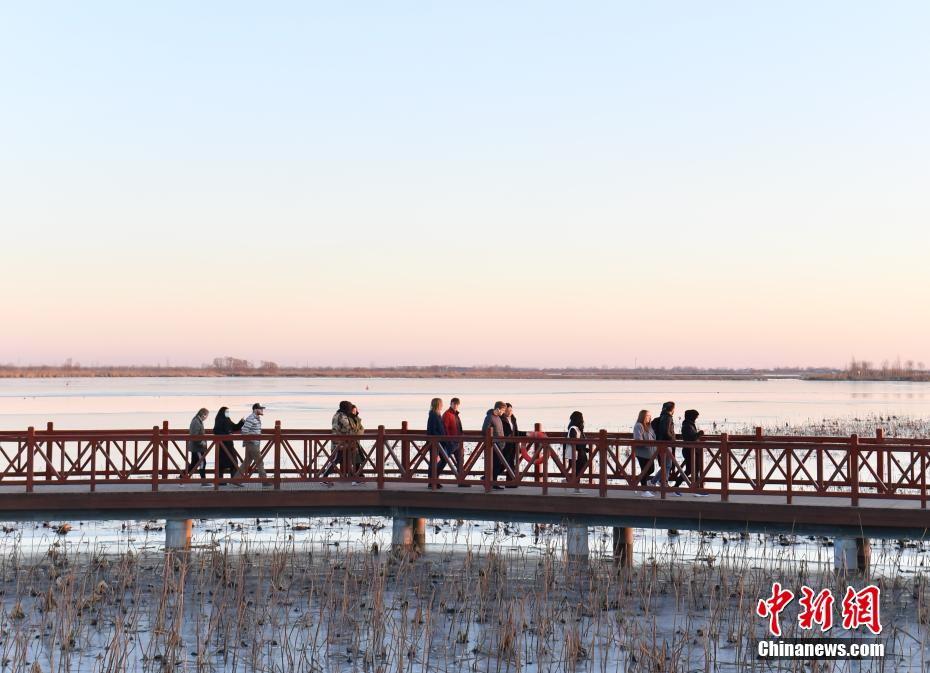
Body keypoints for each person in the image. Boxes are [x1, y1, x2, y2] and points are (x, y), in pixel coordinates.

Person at [324, 401, 366, 486]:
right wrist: (360, 432)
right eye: (349, 408)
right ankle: (324, 477)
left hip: (339, 442)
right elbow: (350, 430)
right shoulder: (342, 416)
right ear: (346, 408)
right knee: (336, 460)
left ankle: (357, 478)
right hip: (341, 443)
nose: (350, 410)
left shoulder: (336, 414)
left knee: (346, 458)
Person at [235, 403, 270, 487]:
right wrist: (252, 439)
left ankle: (236, 479)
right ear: (255, 410)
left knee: (246, 462)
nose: (262, 410)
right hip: (252, 444)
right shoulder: (251, 418)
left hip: (253, 443)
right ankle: (264, 481)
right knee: (260, 462)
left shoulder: (256, 418)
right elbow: (244, 431)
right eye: (260, 409)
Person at [651, 401, 679, 494]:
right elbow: (666, 431)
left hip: (661, 444)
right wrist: (673, 439)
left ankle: (660, 482)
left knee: (666, 465)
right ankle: (657, 482)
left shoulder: (662, 416)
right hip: (666, 444)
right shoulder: (668, 418)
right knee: (667, 465)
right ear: (672, 409)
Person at [678, 409, 708, 496]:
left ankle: (677, 487)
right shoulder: (687, 426)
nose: (696, 419)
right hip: (689, 450)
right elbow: (691, 438)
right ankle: (697, 490)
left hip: (691, 450)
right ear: (692, 417)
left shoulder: (688, 424)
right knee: (693, 470)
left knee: (691, 470)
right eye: (695, 417)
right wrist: (700, 433)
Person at [213, 406, 244, 485]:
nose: (228, 413)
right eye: (226, 411)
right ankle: (221, 481)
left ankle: (234, 480)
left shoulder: (228, 419)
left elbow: (234, 427)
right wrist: (226, 435)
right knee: (221, 464)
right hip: (222, 445)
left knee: (234, 462)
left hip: (229, 445)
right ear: (223, 412)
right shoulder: (219, 420)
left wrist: (241, 422)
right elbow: (216, 431)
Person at [482, 401, 507, 489]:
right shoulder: (489, 417)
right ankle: (493, 483)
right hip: (493, 445)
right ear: (497, 409)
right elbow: (485, 430)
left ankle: (489, 480)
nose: (503, 412)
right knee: (495, 464)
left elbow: (501, 431)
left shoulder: (499, 418)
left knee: (498, 465)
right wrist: (493, 441)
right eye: (503, 410)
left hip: (500, 445)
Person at [426, 398, 450, 487]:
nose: (442, 405)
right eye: (441, 404)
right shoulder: (433, 415)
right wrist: (440, 437)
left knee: (441, 460)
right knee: (435, 461)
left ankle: (434, 480)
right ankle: (432, 481)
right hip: (435, 442)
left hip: (439, 441)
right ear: (438, 404)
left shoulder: (437, 414)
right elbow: (432, 430)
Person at [633, 409, 657, 497]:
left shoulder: (649, 426)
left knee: (651, 469)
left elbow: (654, 436)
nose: (649, 417)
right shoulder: (639, 426)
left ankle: (637, 480)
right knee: (645, 470)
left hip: (650, 452)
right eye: (647, 416)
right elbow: (638, 439)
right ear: (643, 416)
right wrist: (647, 444)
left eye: (650, 416)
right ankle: (644, 490)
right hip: (642, 452)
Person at [442, 397, 466, 484]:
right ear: (451, 404)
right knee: (444, 460)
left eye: (457, 404)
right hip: (451, 442)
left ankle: (461, 481)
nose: (455, 406)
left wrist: (462, 435)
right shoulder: (447, 414)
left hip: (458, 442)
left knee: (460, 462)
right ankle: (433, 479)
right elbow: (445, 428)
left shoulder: (455, 414)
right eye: (454, 404)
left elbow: (458, 427)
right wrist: (449, 440)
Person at [564, 411, 588, 493]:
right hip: (575, 454)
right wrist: (580, 447)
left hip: (581, 453)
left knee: (581, 469)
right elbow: (572, 441)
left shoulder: (579, 428)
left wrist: (586, 449)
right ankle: (576, 488)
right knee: (578, 470)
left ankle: (567, 481)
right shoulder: (573, 429)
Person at [187, 408, 210, 484]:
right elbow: (194, 435)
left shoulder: (198, 421)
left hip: (197, 447)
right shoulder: (196, 422)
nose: (206, 417)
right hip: (197, 448)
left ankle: (181, 479)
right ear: (203, 414)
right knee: (202, 462)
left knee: (193, 465)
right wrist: (201, 442)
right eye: (206, 415)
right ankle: (203, 482)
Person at [500, 403, 520, 488]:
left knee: (511, 462)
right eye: (508, 410)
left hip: (513, 443)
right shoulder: (501, 419)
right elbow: (500, 431)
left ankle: (510, 482)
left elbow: (516, 431)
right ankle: (487, 476)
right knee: (504, 463)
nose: (510, 412)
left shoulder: (513, 418)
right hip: (505, 444)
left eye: (511, 410)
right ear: (504, 411)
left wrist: (527, 434)